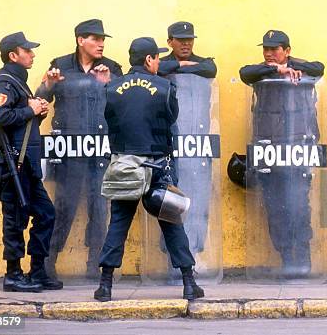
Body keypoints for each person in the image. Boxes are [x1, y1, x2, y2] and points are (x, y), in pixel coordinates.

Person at [94, 37, 204, 301]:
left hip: (124, 165)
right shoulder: (165, 87)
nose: (158, 62)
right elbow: (171, 118)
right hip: (157, 165)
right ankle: (189, 283)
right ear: (148, 60)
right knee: (171, 220)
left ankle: (105, 286)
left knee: (118, 224)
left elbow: (110, 120)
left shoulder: (112, 87)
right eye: (157, 58)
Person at [36, 19, 122, 279]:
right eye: (95, 38)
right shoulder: (60, 65)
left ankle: (96, 266)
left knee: (99, 208)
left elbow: (122, 99)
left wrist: (108, 83)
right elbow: (41, 97)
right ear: (80, 40)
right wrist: (48, 84)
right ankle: (48, 263)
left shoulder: (112, 67)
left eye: (102, 39)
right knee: (64, 207)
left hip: (99, 150)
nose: (101, 43)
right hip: (69, 153)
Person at [239, 30, 324, 278]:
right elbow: (245, 73)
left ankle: (303, 256)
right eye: (265, 48)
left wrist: (290, 67)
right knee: (276, 208)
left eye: (274, 49)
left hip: (297, 150)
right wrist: (277, 70)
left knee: (299, 206)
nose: (268, 53)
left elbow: (319, 67)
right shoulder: (261, 72)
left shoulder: (301, 69)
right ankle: (287, 258)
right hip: (269, 151)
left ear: (287, 50)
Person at [0, 32, 62, 292]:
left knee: (46, 214)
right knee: (15, 220)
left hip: (27, 166)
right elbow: (1, 117)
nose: (32, 54)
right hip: (13, 167)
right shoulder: (6, 82)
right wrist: (29, 110)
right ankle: (13, 275)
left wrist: (37, 113)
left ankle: (37, 271)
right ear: (13, 55)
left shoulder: (20, 83)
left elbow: (21, 126)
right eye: (27, 50)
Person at [156, 22, 217, 271]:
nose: (186, 44)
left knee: (199, 202)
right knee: (172, 203)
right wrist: (181, 65)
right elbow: (158, 68)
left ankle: (194, 255)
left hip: (197, 146)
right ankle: (174, 261)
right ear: (169, 41)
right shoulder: (163, 65)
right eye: (180, 40)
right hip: (171, 146)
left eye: (189, 39)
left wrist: (188, 66)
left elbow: (211, 68)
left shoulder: (203, 63)